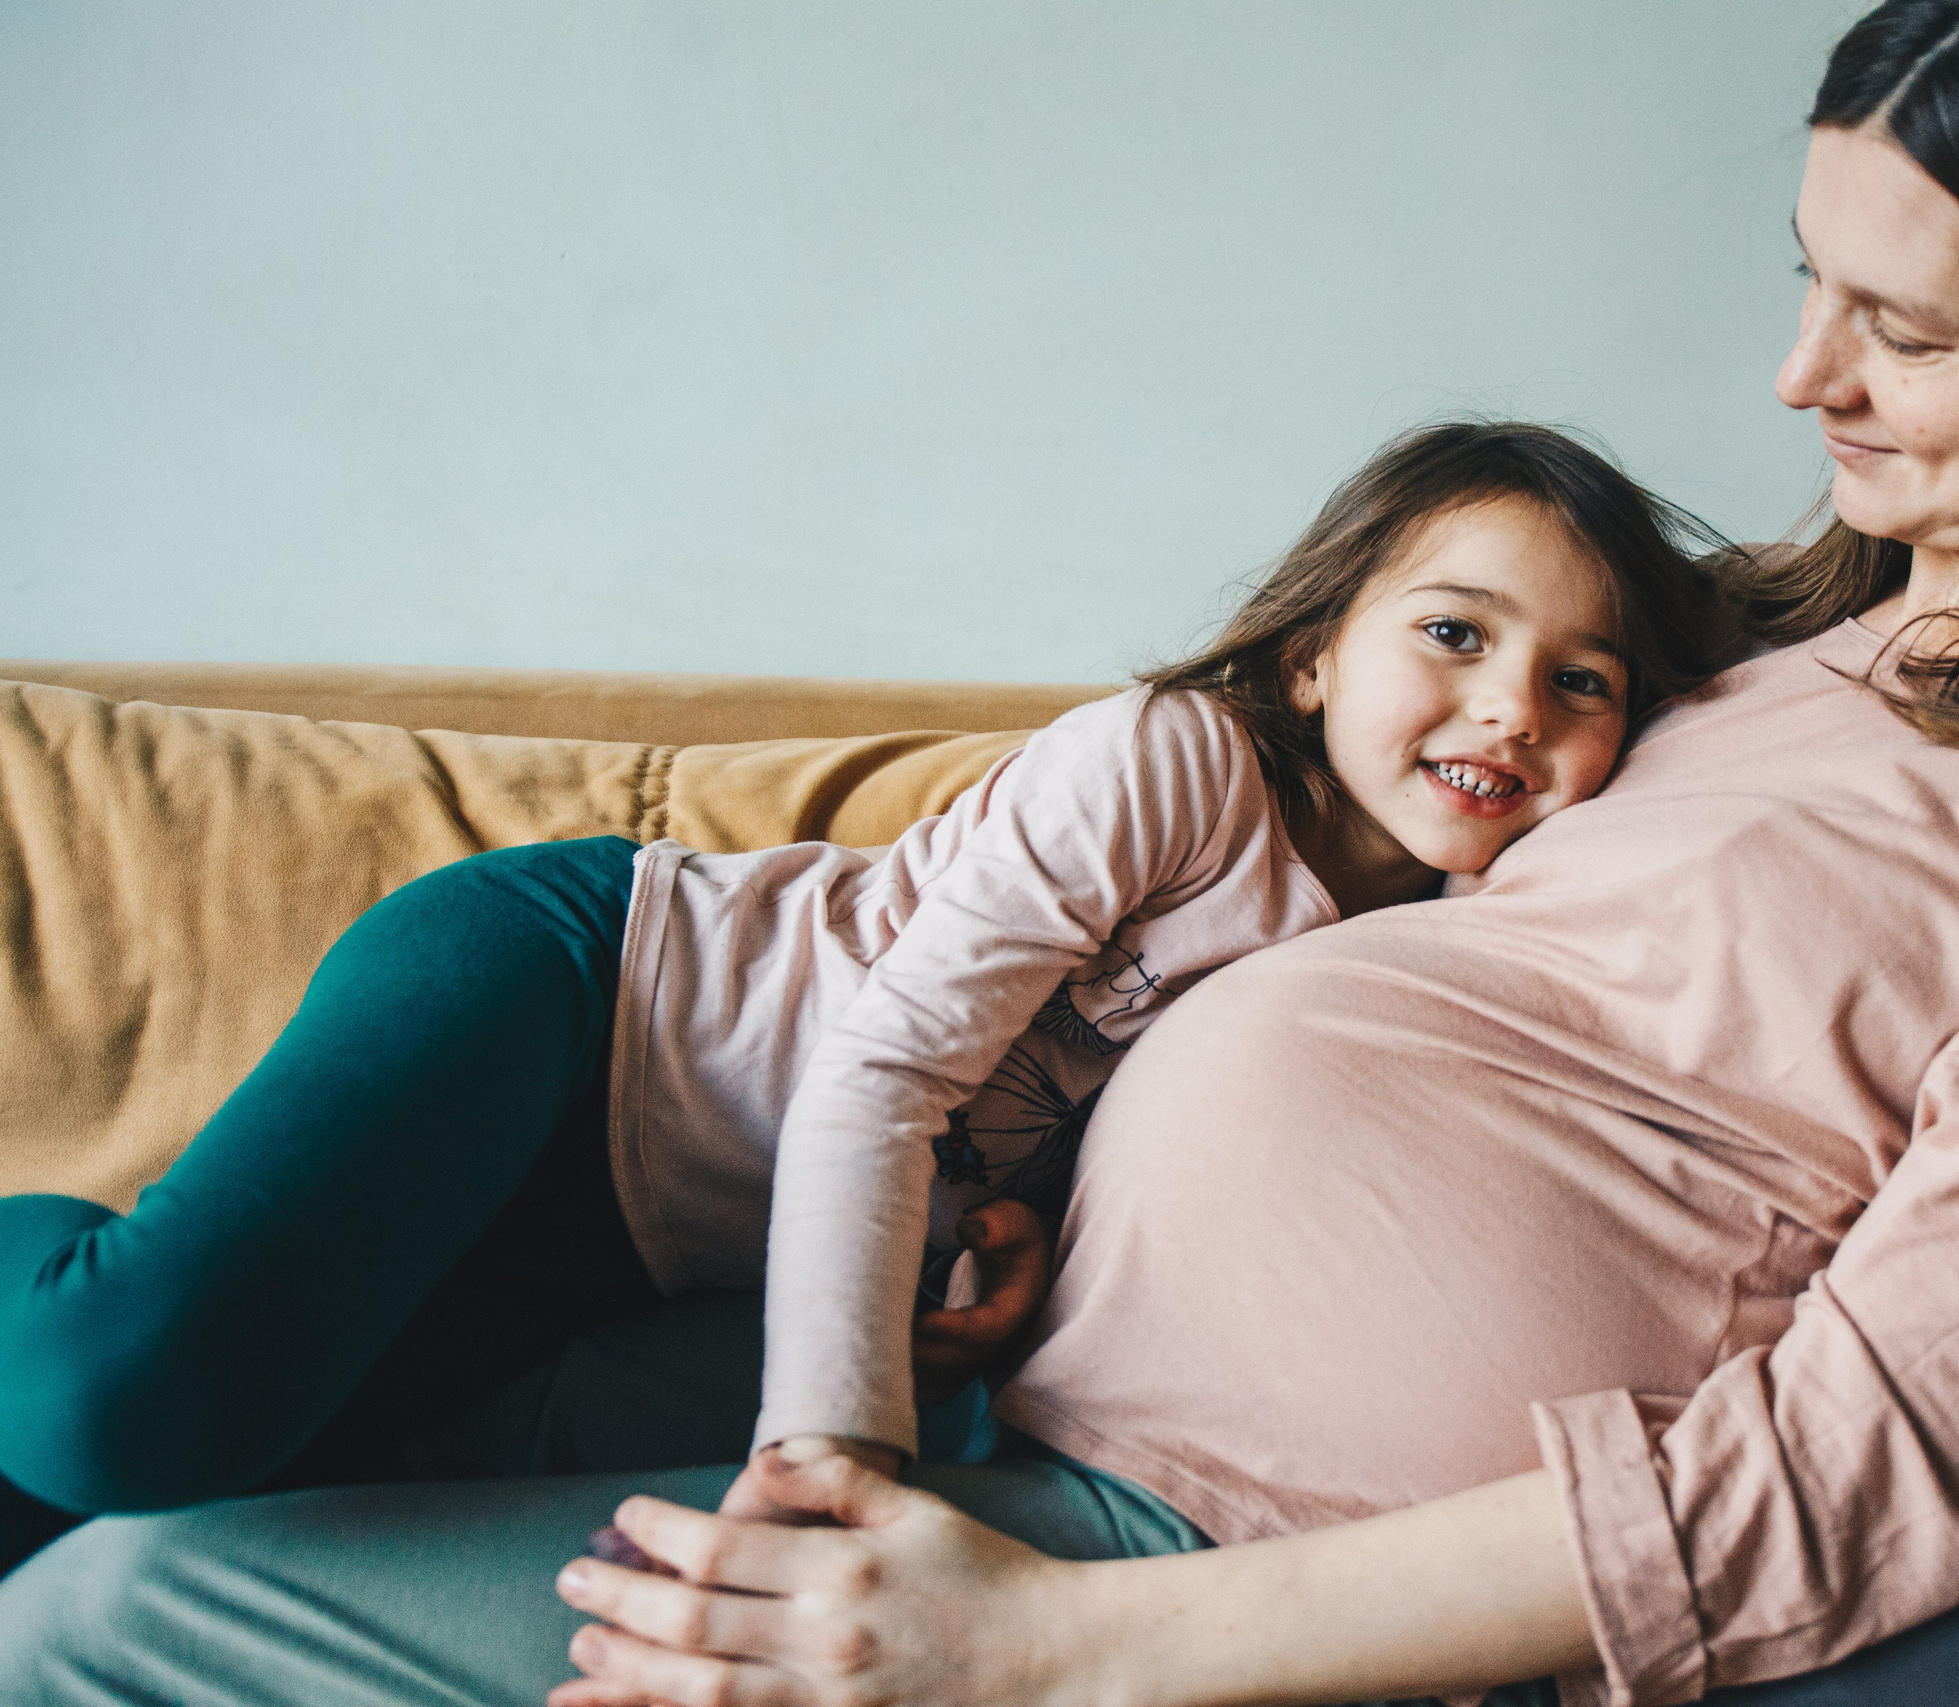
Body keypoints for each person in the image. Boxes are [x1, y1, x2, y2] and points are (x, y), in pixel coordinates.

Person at [0, 0, 1959, 1702]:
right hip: (977, 1375)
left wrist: (1041, 1654)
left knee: (109, 1619)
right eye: (1804, 276)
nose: (1797, 381)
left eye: (1897, 331)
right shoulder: (1742, 654)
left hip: (1176, 1566)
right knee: (168, 1436)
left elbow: (1860, 1466)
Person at [0, 420, 1731, 1573]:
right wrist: (843, 1432)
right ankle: (54, 1236)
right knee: (122, 1404)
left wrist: (1002, 1274)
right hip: (584, 1006)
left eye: (1578, 681)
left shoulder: (1437, 963)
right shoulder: (1177, 764)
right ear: (1311, 651)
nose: (1512, 705)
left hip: (655, 1249)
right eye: (1455, 633)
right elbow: (885, 1062)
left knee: (162, 1516)